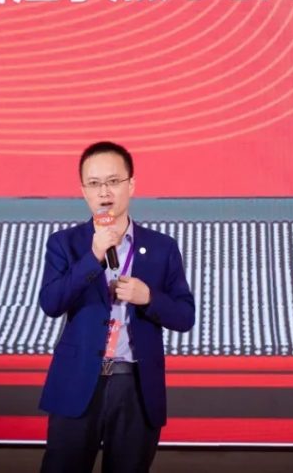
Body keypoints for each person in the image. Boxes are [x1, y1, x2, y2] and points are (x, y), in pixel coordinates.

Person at [38, 141, 195, 472]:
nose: (104, 192)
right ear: (83, 191)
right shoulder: (64, 244)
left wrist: (149, 297)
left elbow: (185, 316)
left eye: (113, 181)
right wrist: (93, 256)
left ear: (131, 185)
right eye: (94, 183)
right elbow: (51, 303)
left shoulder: (162, 247)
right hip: (79, 380)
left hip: (136, 386)